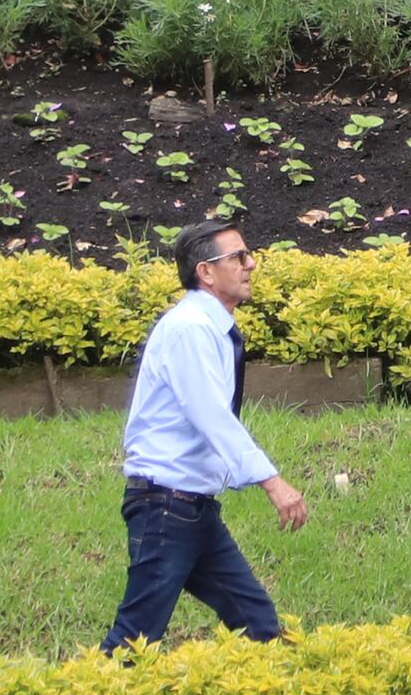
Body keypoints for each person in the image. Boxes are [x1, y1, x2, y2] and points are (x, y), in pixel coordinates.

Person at [106, 218, 309, 651]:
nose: (251, 264)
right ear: (206, 272)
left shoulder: (206, 326)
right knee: (134, 640)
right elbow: (211, 415)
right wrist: (273, 483)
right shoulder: (191, 328)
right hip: (166, 506)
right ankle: (84, 694)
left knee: (258, 625)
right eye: (238, 257)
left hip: (192, 508)